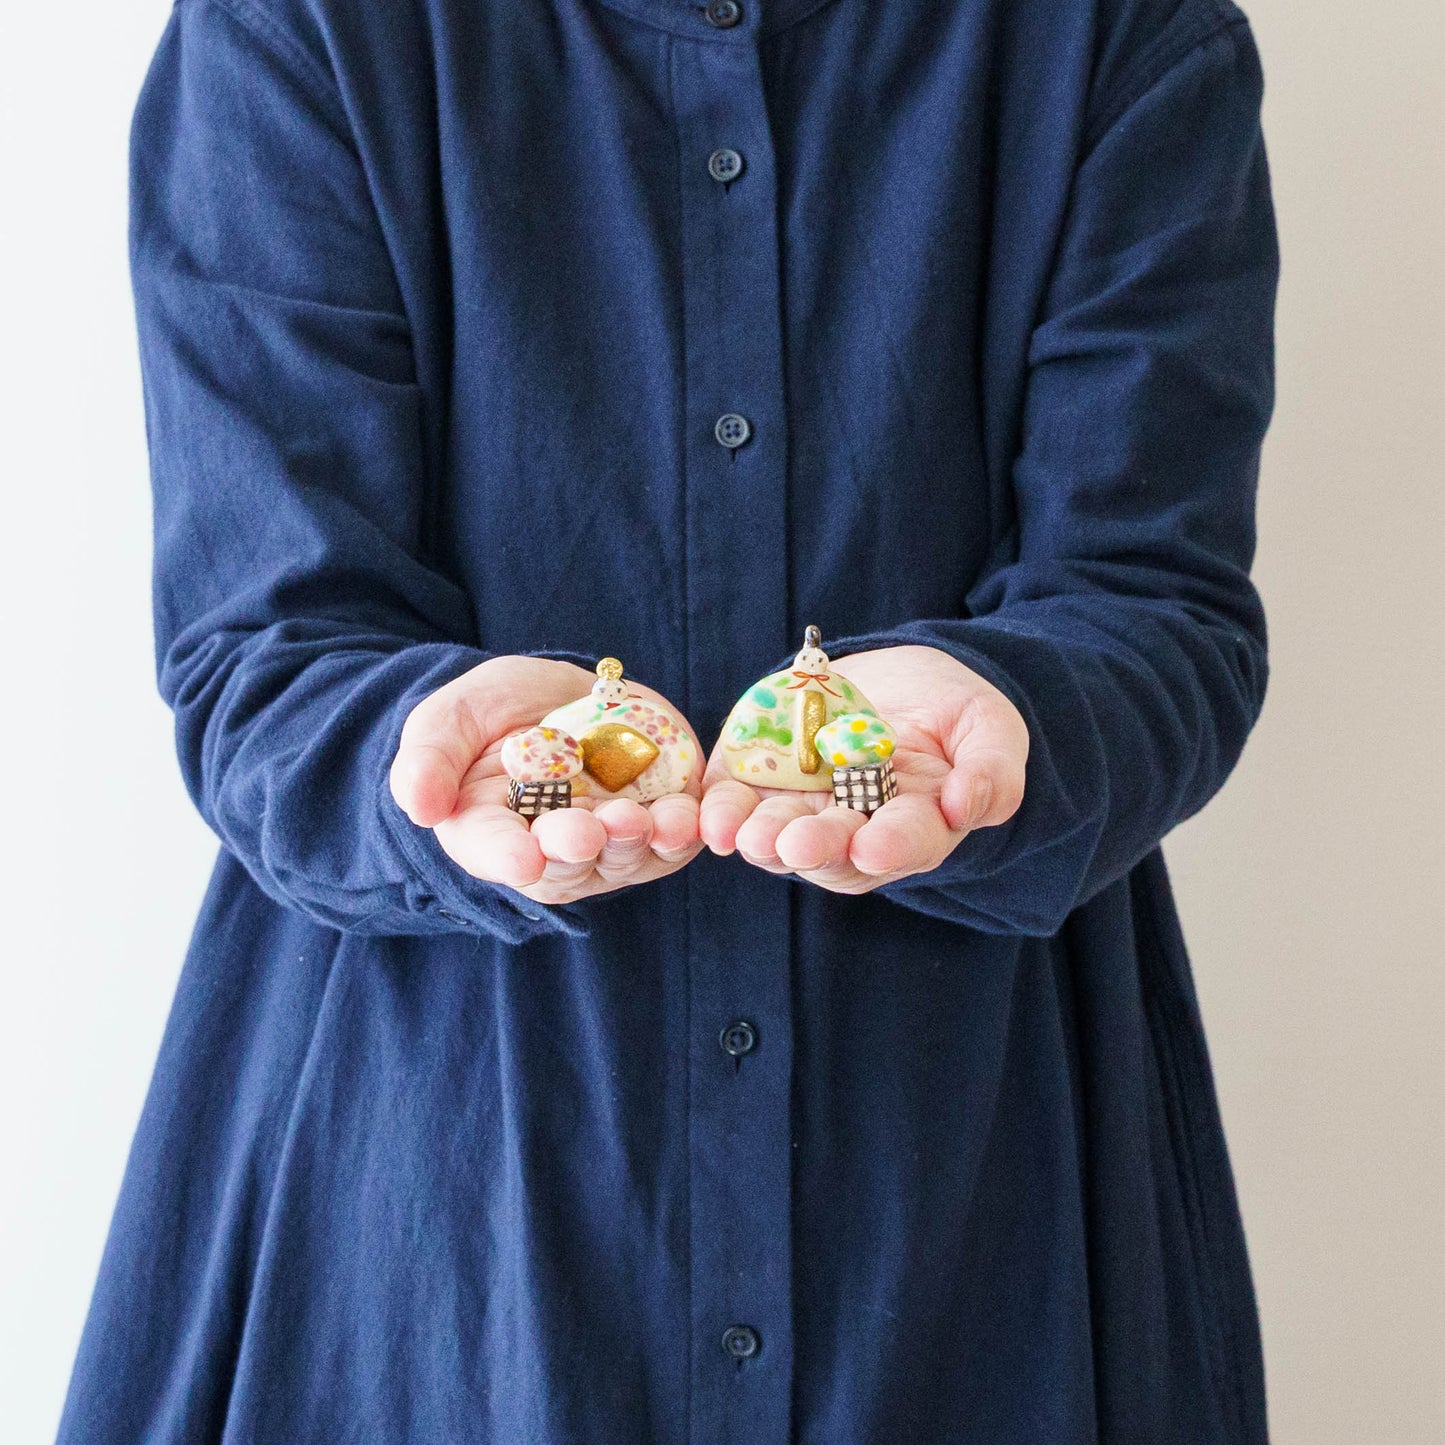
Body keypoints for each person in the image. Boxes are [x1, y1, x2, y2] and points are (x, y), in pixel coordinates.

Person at [58, 0, 1279, 1439]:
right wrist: (437, 754)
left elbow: (1158, 600)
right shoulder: (302, 29)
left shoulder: (1121, 33)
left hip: (972, 1192)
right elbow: (261, 650)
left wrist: (1013, 712)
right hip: (431, 1208)